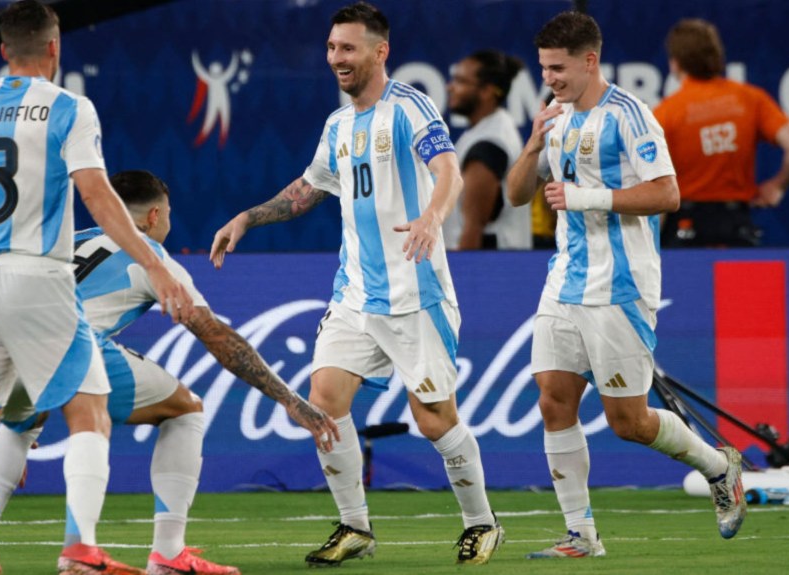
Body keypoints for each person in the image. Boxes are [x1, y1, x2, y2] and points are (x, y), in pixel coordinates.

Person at [211, 2, 503, 567]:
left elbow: (449, 171)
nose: (336, 58)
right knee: (323, 401)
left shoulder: (410, 108)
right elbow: (308, 188)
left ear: (379, 51)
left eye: (347, 48)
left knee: (433, 418)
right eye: (330, 48)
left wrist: (431, 218)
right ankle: (355, 528)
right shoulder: (338, 125)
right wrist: (248, 217)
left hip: (416, 294)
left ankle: (482, 522)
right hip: (354, 295)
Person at [0, 3, 194, 574]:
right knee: (89, 413)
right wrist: (153, 264)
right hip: (39, 276)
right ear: (55, 48)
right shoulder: (69, 108)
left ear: (3, 50)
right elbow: (97, 195)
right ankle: (80, 549)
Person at [0, 170, 341, 575]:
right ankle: (163, 553)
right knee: (186, 410)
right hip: (77, 345)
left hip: (8, 345)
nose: (168, 222)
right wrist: (289, 399)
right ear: (152, 216)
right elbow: (218, 338)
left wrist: (23, 411)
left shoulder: (73, 239)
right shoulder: (151, 256)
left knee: (17, 433)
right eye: (167, 214)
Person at [506, 11, 746, 559]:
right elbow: (518, 195)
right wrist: (530, 145)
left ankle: (719, 465)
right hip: (564, 281)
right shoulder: (555, 116)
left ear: (591, 60)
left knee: (628, 422)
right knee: (553, 400)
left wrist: (589, 197)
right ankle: (581, 536)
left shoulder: (631, 118)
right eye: (544, 68)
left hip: (620, 287)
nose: (550, 80)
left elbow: (667, 195)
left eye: (559, 68)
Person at [655, 18, 789, 247]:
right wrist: (778, 186)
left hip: (685, 229)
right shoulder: (750, 99)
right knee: (741, 284)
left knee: (686, 284)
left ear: (675, 63)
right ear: (716, 56)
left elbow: (659, 186)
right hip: (736, 227)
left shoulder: (666, 112)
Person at [443, 50, 531, 250]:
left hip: (486, 271)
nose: (450, 87)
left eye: (461, 81)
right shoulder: (488, 130)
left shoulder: (489, 144)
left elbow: (472, 227)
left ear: (487, 91)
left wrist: (464, 276)